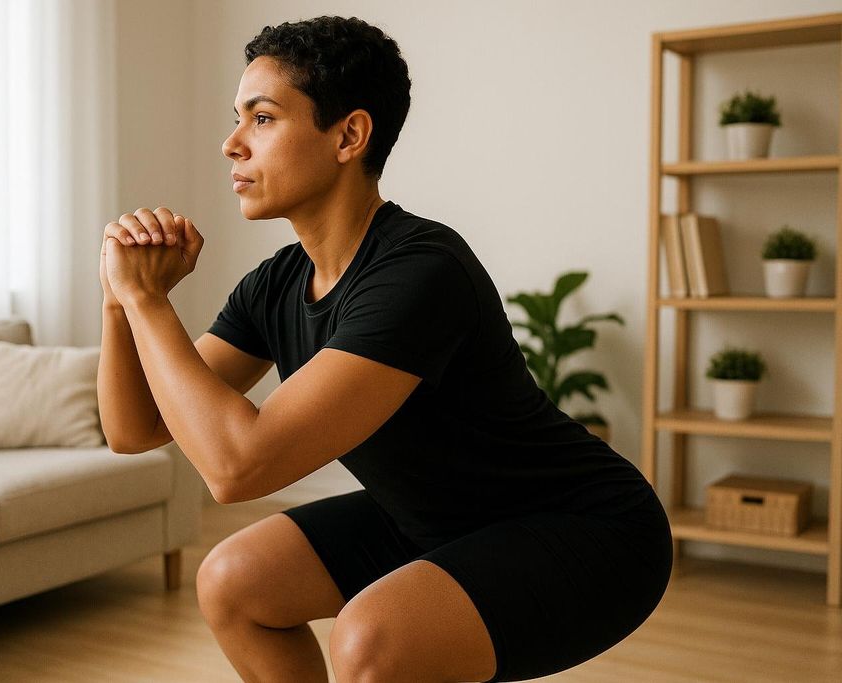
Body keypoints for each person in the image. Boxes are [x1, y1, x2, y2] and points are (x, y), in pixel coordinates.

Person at [97, 15, 672, 683]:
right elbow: (134, 429)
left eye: (261, 118)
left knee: (371, 639)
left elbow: (236, 469)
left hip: (586, 530)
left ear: (349, 135)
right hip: (433, 517)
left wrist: (148, 302)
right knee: (231, 581)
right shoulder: (276, 283)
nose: (231, 144)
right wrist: (119, 302)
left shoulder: (420, 270)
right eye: (238, 118)